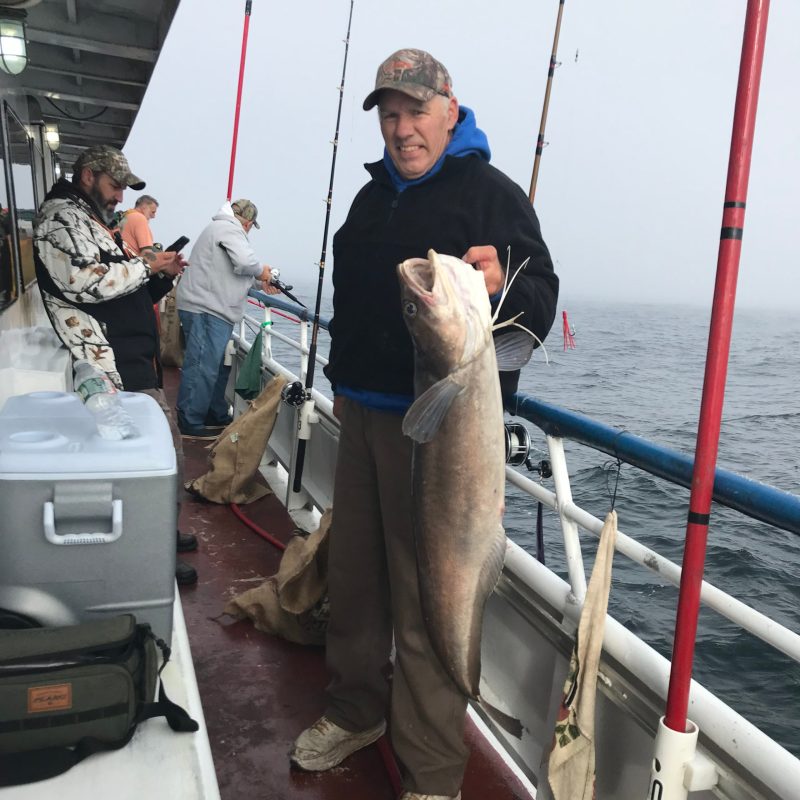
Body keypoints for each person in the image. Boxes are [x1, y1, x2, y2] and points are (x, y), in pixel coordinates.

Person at [289, 50, 559, 800]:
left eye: (415, 111)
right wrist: (340, 384)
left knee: (427, 595)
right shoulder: (372, 200)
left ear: (449, 107)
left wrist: (505, 277)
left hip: (443, 439)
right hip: (364, 419)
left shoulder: (490, 194)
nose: (402, 129)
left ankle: (434, 770)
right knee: (356, 581)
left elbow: (539, 297)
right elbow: (353, 296)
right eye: (390, 114)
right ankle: (355, 709)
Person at [33, 144, 199, 586]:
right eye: (114, 186)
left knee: (160, 451)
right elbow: (86, 283)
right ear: (87, 176)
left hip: (132, 359)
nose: (120, 198)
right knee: (150, 459)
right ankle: (152, 551)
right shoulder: (59, 220)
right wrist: (147, 266)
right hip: (109, 364)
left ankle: (163, 530)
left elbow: (127, 288)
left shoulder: (92, 222)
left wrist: (159, 274)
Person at [175, 199, 280, 438]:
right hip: (206, 308)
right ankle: (189, 421)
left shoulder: (221, 230)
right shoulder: (229, 229)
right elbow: (245, 262)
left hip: (209, 306)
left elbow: (234, 270)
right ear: (248, 223)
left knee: (211, 366)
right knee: (202, 366)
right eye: (251, 227)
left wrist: (261, 283)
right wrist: (262, 270)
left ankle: (212, 413)